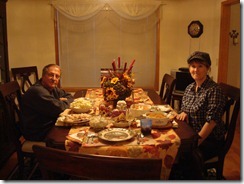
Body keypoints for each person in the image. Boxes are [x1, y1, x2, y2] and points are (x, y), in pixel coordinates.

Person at [176, 51, 227, 178]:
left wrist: (196, 142)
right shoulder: (189, 88)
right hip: (191, 133)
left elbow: (212, 121)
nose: (196, 70)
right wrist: (184, 112)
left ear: (208, 68)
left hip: (209, 139)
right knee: (172, 150)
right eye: (193, 66)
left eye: (200, 66)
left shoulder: (214, 90)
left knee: (182, 155)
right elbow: (184, 108)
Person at [21, 64, 74, 141]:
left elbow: (69, 96)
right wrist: (59, 102)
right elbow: (60, 108)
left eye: (57, 76)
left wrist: (60, 101)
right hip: (38, 132)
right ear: (43, 76)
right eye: (51, 75)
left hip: (50, 124)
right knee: (74, 137)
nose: (54, 79)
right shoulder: (37, 91)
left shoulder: (52, 87)